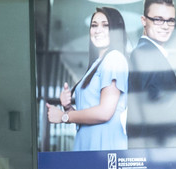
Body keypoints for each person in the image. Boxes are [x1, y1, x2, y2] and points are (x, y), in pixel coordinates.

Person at [125, 0, 176, 148]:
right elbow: (153, 109)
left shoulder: (151, 54)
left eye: (170, 20)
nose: (165, 26)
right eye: (158, 19)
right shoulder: (146, 53)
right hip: (157, 155)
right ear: (144, 20)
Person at [46, 7, 128, 151]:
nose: (98, 30)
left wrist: (65, 116)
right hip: (90, 146)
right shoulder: (97, 64)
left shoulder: (114, 58)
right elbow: (89, 114)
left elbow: (105, 112)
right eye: (94, 25)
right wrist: (68, 107)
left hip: (105, 147)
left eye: (105, 25)